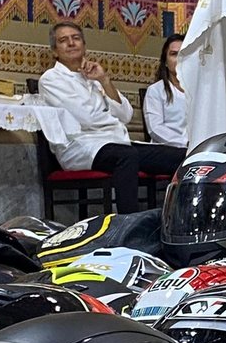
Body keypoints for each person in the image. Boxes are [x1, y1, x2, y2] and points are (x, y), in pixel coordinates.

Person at [38, 22, 187, 214]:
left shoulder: (92, 76)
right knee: (126, 156)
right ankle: (128, 224)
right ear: (55, 51)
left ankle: (177, 217)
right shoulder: (51, 79)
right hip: (81, 146)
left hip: (115, 142)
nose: (71, 43)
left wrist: (104, 80)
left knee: (180, 157)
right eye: (63, 40)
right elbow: (87, 118)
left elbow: (126, 114)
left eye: (76, 38)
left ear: (84, 45)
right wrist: (112, 119)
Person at [143, 34, 189, 148]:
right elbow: (155, 128)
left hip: (197, 150)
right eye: (174, 54)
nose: (179, 59)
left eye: (183, 54)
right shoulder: (155, 91)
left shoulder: (201, 91)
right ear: (166, 62)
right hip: (167, 150)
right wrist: (184, 143)